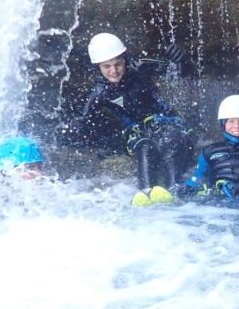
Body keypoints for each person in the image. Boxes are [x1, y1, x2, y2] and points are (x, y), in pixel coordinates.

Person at [76, 32, 194, 206]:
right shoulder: (100, 93)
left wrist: (183, 60)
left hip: (163, 120)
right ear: (98, 67)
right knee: (144, 146)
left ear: (125, 59)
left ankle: (174, 189)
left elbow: (183, 72)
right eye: (107, 66)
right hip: (134, 130)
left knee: (171, 139)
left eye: (118, 64)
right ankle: (145, 192)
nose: (114, 71)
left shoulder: (141, 67)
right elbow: (85, 122)